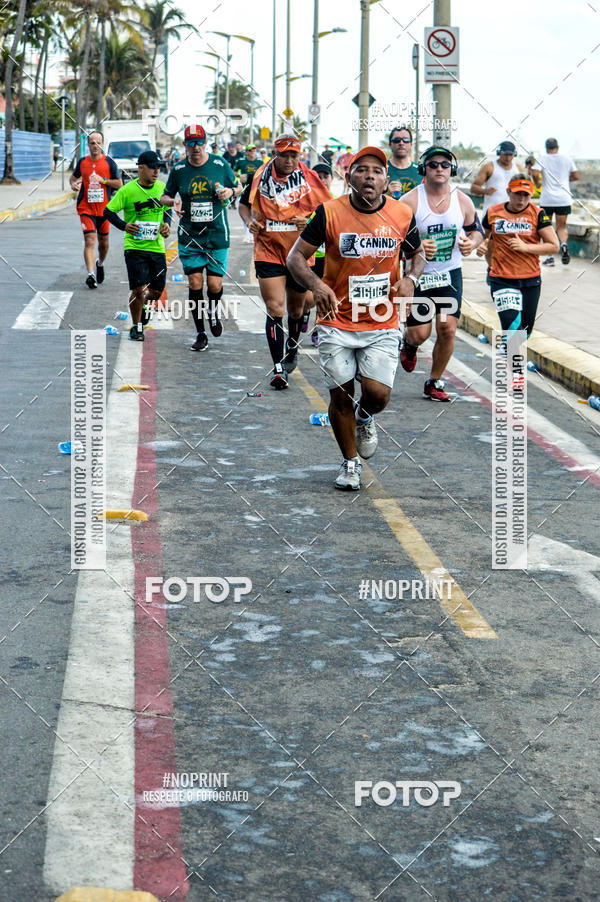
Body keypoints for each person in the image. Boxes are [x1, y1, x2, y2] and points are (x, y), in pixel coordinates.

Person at [287, 146, 424, 491]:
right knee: (341, 395)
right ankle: (350, 464)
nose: (369, 176)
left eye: (376, 172)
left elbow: (417, 253)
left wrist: (411, 279)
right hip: (336, 320)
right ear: (349, 177)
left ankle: (366, 417)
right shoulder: (328, 213)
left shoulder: (401, 215)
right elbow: (295, 258)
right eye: (361, 170)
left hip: (380, 320)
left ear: (387, 181)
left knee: (377, 395)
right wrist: (317, 286)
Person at [238, 133, 331, 389]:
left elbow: (330, 211)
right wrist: (249, 223)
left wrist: (310, 221)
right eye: (284, 155)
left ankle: (292, 345)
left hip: (299, 253)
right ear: (275, 154)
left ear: (299, 156)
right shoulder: (259, 177)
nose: (289, 160)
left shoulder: (309, 179)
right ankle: (278, 368)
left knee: (296, 310)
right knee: (274, 308)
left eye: (294, 155)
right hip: (268, 248)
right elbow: (243, 205)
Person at [399, 146, 484, 401]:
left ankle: (434, 381)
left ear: (452, 170)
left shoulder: (462, 200)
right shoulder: (410, 200)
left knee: (447, 330)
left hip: (450, 274)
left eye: (444, 165)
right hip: (419, 275)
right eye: (433, 164)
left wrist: (473, 243)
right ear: (424, 168)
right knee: (420, 333)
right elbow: (391, 236)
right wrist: (416, 246)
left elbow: (477, 230)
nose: (439, 169)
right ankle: (410, 345)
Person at [159, 124, 240, 351]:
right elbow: (165, 196)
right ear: (185, 145)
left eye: (199, 142)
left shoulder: (219, 164)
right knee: (195, 282)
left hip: (216, 234)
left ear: (206, 143)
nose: (195, 147)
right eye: (191, 143)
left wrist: (229, 192)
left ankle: (213, 312)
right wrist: (173, 202)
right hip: (190, 235)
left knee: (214, 285)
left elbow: (239, 186)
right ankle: (200, 332)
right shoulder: (178, 169)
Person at [104, 151, 171, 342]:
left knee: (156, 291)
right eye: (152, 168)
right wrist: (125, 226)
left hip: (156, 247)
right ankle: (136, 326)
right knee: (139, 289)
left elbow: (167, 211)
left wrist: (167, 226)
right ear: (140, 168)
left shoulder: (162, 188)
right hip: (134, 247)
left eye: (158, 168)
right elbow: (108, 211)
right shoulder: (127, 190)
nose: (156, 172)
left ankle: (144, 306)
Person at [482, 174, 559, 337]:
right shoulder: (493, 212)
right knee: (511, 328)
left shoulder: (538, 214)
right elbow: (481, 237)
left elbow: (554, 246)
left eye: (526, 195)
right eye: (518, 194)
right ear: (508, 191)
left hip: (530, 280)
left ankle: (508, 355)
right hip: (501, 279)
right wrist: (479, 247)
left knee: (525, 331)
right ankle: (512, 361)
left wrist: (525, 247)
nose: (521, 199)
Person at [70, 130, 122, 289]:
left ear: (103, 144)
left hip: (104, 210)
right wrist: (73, 184)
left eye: (98, 142)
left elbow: (119, 183)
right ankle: (91, 274)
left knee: (104, 243)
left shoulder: (109, 163)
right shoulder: (82, 162)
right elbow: (74, 177)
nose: (95, 146)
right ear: (88, 145)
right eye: (92, 142)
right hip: (86, 208)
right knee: (90, 240)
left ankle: (100, 263)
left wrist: (103, 180)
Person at [531, 138, 579, 266]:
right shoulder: (567, 159)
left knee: (546, 227)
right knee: (561, 227)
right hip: (563, 198)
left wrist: (538, 184)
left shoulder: (542, 158)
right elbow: (576, 176)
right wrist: (564, 179)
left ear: (546, 148)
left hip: (547, 199)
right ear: (557, 147)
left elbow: (535, 173)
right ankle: (563, 245)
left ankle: (550, 257)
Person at [470, 140, 521, 213]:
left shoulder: (518, 168)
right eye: (506, 154)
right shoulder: (489, 167)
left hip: (512, 213)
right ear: (499, 152)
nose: (508, 158)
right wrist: (486, 191)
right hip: (492, 213)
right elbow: (473, 188)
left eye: (511, 155)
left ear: (514, 154)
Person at [386, 125, 422, 198]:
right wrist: (386, 195)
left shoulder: (421, 170)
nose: (401, 143)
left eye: (406, 140)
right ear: (390, 144)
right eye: (396, 140)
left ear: (411, 144)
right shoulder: (381, 169)